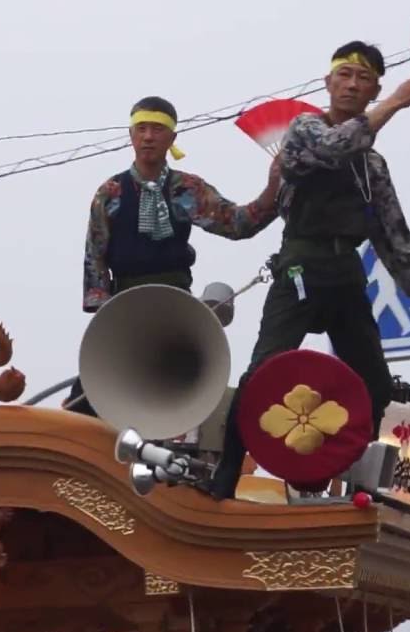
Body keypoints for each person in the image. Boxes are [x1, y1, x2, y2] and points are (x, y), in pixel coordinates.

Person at [205, 41, 410, 500]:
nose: (352, 85)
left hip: (344, 270)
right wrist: (395, 102)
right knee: (262, 372)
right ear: (328, 82)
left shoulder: (373, 165)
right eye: (345, 76)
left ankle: (345, 474)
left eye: (363, 80)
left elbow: (391, 231)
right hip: (301, 265)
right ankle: (228, 471)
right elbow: (337, 147)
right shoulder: (304, 129)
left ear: (372, 88)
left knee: (375, 385)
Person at [67, 96, 283, 415]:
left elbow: (237, 223)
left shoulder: (187, 189)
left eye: (157, 129)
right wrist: (105, 319)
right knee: (91, 397)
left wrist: (273, 187)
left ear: (172, 139)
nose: (148, 137)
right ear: (131, 135)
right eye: (141, 129)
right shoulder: (111, 192)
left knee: (173, 392)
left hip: (175, 305)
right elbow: (94, 256)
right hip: (125, 305)